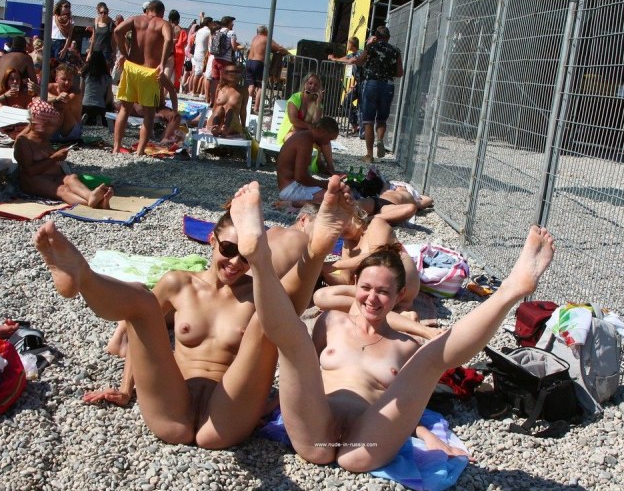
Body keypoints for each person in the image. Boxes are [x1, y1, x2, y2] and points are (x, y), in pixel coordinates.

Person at [223, 179, 555, 471]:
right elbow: (302, 381)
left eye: (383, 292)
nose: (372, 298)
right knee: (293, 341)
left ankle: (512, 289)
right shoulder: (332, 321)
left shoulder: (405, 345)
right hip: (317, 431)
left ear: (398, 297)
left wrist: (431, 439)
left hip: (366, 441)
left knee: (431, 357)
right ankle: (258, 256)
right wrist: (267, 407)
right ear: (355, 285)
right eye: (366, 288)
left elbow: (406, 408)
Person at [35, 196, 314, 448]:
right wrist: (125, 389)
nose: (235, 262)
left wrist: (268, 403)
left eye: (246, 256)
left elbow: (291, 339)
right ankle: (83, 277)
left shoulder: (257, 295)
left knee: (269, 318)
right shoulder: (178, 284)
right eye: (228, 249)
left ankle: (316, 244)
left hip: (226, 416)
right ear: (212, 240)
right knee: (142, 299)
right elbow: (139, 332)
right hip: (173, 407)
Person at [320, 204, 420, 311]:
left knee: (323, 297)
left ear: (354, 216)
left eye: (340, 221)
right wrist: (323, 273)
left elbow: (377, 257)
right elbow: (345, 280)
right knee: (321, 297)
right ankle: (396, 314)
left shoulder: (376, 224)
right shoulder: (347, 245)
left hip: (398, 283)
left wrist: (336, 265)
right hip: (377, 292)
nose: (338, 228)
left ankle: (390, 312)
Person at [15, 100, 112, 209]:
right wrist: (55, 158)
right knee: (62, 190)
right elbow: (30, 171)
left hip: (52, 176)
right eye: (49, 125)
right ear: (39, 124)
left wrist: (59, 154)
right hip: (33, 180)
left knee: (71, 178)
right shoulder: (23, 141)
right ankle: (98, 204)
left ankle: (91, 197)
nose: (53, 129)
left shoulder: (43, 137)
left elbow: (51, 159)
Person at [112, 0, 174, 156]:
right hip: (149, 71)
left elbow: (117, 31)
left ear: (148, 10)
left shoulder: (135, 19)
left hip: (132, 68)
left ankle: (116, 148)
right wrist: (162, 63)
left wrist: (124, 53)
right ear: (162, 12)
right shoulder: (163, 24)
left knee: (124, 109)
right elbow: (168, 40)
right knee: (149, 114)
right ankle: (139, 151)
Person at [355, 26, 403, 163]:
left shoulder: (371, 47)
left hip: (371, 84)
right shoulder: (395, 51)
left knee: (368, 120)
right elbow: (400, 73)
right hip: (387, 86)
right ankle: (380, 139)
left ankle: (369, 155)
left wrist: (369, 45)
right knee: (382, 119)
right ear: (388, 38)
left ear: (375, 36)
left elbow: (359, 61)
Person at [275, 117, 339, 205]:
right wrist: (324, 183)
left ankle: (294, 203)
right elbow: (300, 177)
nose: (327, 143)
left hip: (292, 186)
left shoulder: (305, 136)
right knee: (334, 198)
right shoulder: (305, 141)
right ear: (323, 132)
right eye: (329, 139)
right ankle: (293, 203)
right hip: (290, 189)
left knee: (335, 193)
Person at [245, 25, 288, 114]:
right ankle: (256, 108)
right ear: (265, 31)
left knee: (251, 86)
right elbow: (279, 48)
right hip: (258, 63)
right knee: (262, 86)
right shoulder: (266, 38)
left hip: (249, 62)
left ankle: (246, 107)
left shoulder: (254, 38)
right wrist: (287, 52)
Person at [329, 37, 364, 136]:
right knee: (346, 102)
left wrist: (333, 59)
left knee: (361, 106)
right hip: (359, 84)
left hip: (364, 84)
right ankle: (355, 125)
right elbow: (343, 59)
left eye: (348, 43)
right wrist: (333, 59)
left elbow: (350, 61)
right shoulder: (352, 54)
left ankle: (360, 129)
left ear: (352, 45)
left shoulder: (360, 54)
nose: (347, 45)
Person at [206, 65, 247, 137]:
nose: (234, 74)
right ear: (225, 74)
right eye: (232, 72)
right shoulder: (220, 87)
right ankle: (216, 128)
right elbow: (214, 108)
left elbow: (243, 111)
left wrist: (243, 127)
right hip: (217, 121)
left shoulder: (243, 90)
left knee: (230, 111)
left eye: (237, 72)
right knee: (219, 108)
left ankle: (225, 129)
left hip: (232, 124)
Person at [48, 63, 82, 143]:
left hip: (71, 132)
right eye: (64, 79)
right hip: (53, 132)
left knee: (61, 109)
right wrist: (56, 98)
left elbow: (62, 104)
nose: (67, 83)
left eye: (70, 80)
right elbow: (37, 99)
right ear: (56, 79)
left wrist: (43, 94)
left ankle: (44, 136)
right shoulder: (50, 87)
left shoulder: (76, 92)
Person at [209, 16, 238, 108]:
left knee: (214, 82)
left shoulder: (217, 31)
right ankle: (219, 102)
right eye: (232, 23)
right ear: (228, 23)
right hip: (225, 61)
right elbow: (233, 47)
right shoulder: (231, 33)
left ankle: (212, 101)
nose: (233, 24)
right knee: (222, 83)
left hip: (215, 59)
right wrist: (236, 47)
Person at [81, 51, 114, 127]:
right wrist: (105, 103)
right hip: (100, 105)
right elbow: (109, 97)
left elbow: (81, 92)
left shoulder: (85, 75)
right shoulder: (107, 77)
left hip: (85, 104)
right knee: (100, 113)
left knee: (87, 118)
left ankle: (86, 116)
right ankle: (98, 117)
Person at [86, 2, 116, 71]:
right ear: (99, 13)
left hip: (106, 52)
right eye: (101, 12)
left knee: (105, 72)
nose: (103, 14)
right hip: (96, 51)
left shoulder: (111, 24)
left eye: (105, 12)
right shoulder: (96, 23)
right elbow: (93, 39)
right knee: (94, 71)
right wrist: (90, 53)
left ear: (108, 13)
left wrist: (114, 53)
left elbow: (113, 40)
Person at [191, 16, 214, 98]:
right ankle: (199, 92)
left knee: (197, 72)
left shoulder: (199, 30)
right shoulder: (208, 32)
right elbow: (210, 45)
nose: (213, 24)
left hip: (196, 53)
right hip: (202, 54)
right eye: (212, 22)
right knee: (202, 74)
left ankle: (194, 91)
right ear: (209, 23)